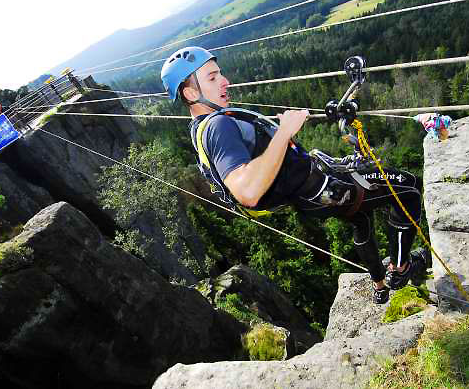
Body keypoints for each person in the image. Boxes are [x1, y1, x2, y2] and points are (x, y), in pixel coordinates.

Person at [161, 47, 428, 304]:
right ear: (190, 92)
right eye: (212, 77)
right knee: (410, 189)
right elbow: (247, 191)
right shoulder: (218, 126)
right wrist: (283, 132)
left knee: (361, 220)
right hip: (323, 189)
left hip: (312, 196)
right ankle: (402, 268)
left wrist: (274, 137)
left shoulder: (201, 126)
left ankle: (380, 285)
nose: (225, 81)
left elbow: (254, 155)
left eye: (220, 73)